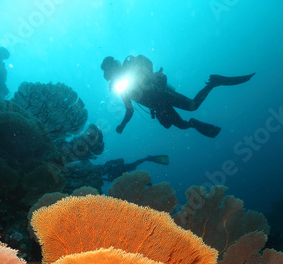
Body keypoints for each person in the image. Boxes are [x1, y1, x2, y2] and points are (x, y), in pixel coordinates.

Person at [101, 55, 255, 138]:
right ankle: (193, 123)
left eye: (110, 70)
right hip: (158, 106)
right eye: (108, 73)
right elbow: (130, 110)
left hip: (163, 95)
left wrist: (155, 78)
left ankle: (214, 82)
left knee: (193, 106)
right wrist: (122, 125)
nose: (111, 74)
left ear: (115, 65)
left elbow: (152, 74)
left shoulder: (133, 69)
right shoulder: (122, 88)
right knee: (180, 125)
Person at [102, 154, 169, 182]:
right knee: (135, 179)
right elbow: (111, 179)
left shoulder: (109, 166)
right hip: (126, 173)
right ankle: (148, 159)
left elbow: (121, 160)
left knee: (136, 163)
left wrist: (116, 165)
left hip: (126, 168)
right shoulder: (109, 175)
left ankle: (149, 158)